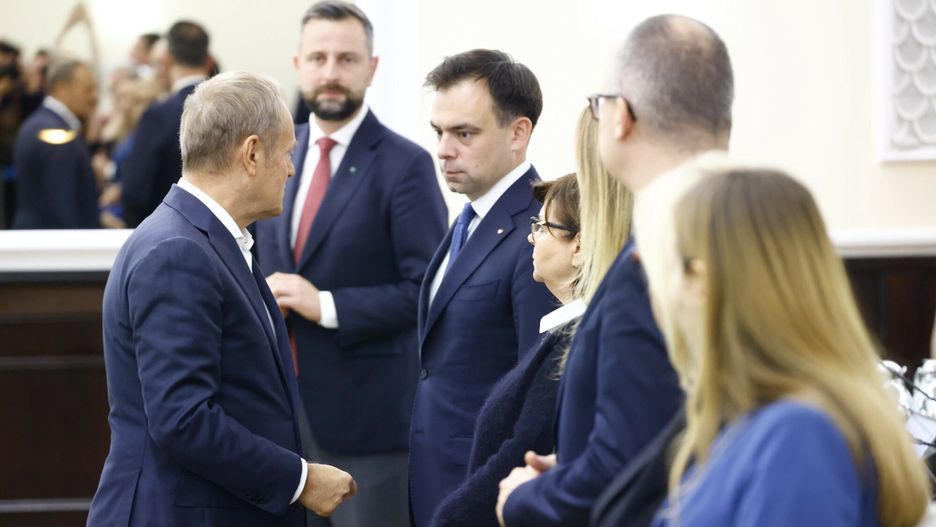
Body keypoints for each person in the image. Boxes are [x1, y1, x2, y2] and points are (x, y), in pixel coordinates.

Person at [87, 71, 357, 527]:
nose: (291, 169)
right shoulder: (178, 251)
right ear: (251, 154)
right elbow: (183, 420)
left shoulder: (205, 239)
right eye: (287, 153)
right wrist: (300, 480)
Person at [497, 15, 733, 526]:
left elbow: (620, 470)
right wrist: (571, 467)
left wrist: (523, 499)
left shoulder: (651, 264)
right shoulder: (749, 232)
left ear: (621, 117)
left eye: (596, 104)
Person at [634, 159, 931, 526]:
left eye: (661, 271)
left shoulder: (797, 435)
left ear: (701, 280)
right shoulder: (763, 418)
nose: (656, 292)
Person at [254, 2, 447, 526]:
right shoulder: (274, 154)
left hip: (368, 426)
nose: (331, 72)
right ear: (298, 66)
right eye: (318, 58)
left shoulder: (405, 165)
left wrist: (324, 305)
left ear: (371, 67)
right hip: (277, 420)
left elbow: (425, 292)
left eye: (346, 59)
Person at [409, 49, 556, 527]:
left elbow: (537, 399)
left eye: (464, 134)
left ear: (518, 133)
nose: (444, 149)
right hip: (436, 477)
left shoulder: (540, 234)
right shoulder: (471, 217)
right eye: (438, 132)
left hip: (481, 493)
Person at [432, 173, 586, 527]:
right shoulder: (562, 336)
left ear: (579, 246)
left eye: (543, 227)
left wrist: (450, 519)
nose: (531, 236)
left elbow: (521, 451)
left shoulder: (573, 344)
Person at [121, 20, 210, 227]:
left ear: (168, 60)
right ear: (207, 58)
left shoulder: (159, 115)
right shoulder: (230, 109)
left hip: (166, 228)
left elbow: (136, 190)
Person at [12, 59, 99, 229]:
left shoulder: (41, 123)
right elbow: (63, 204)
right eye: (87, 89)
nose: (93, 97)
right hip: (51, 238)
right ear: (61, 89)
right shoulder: (55, 131)